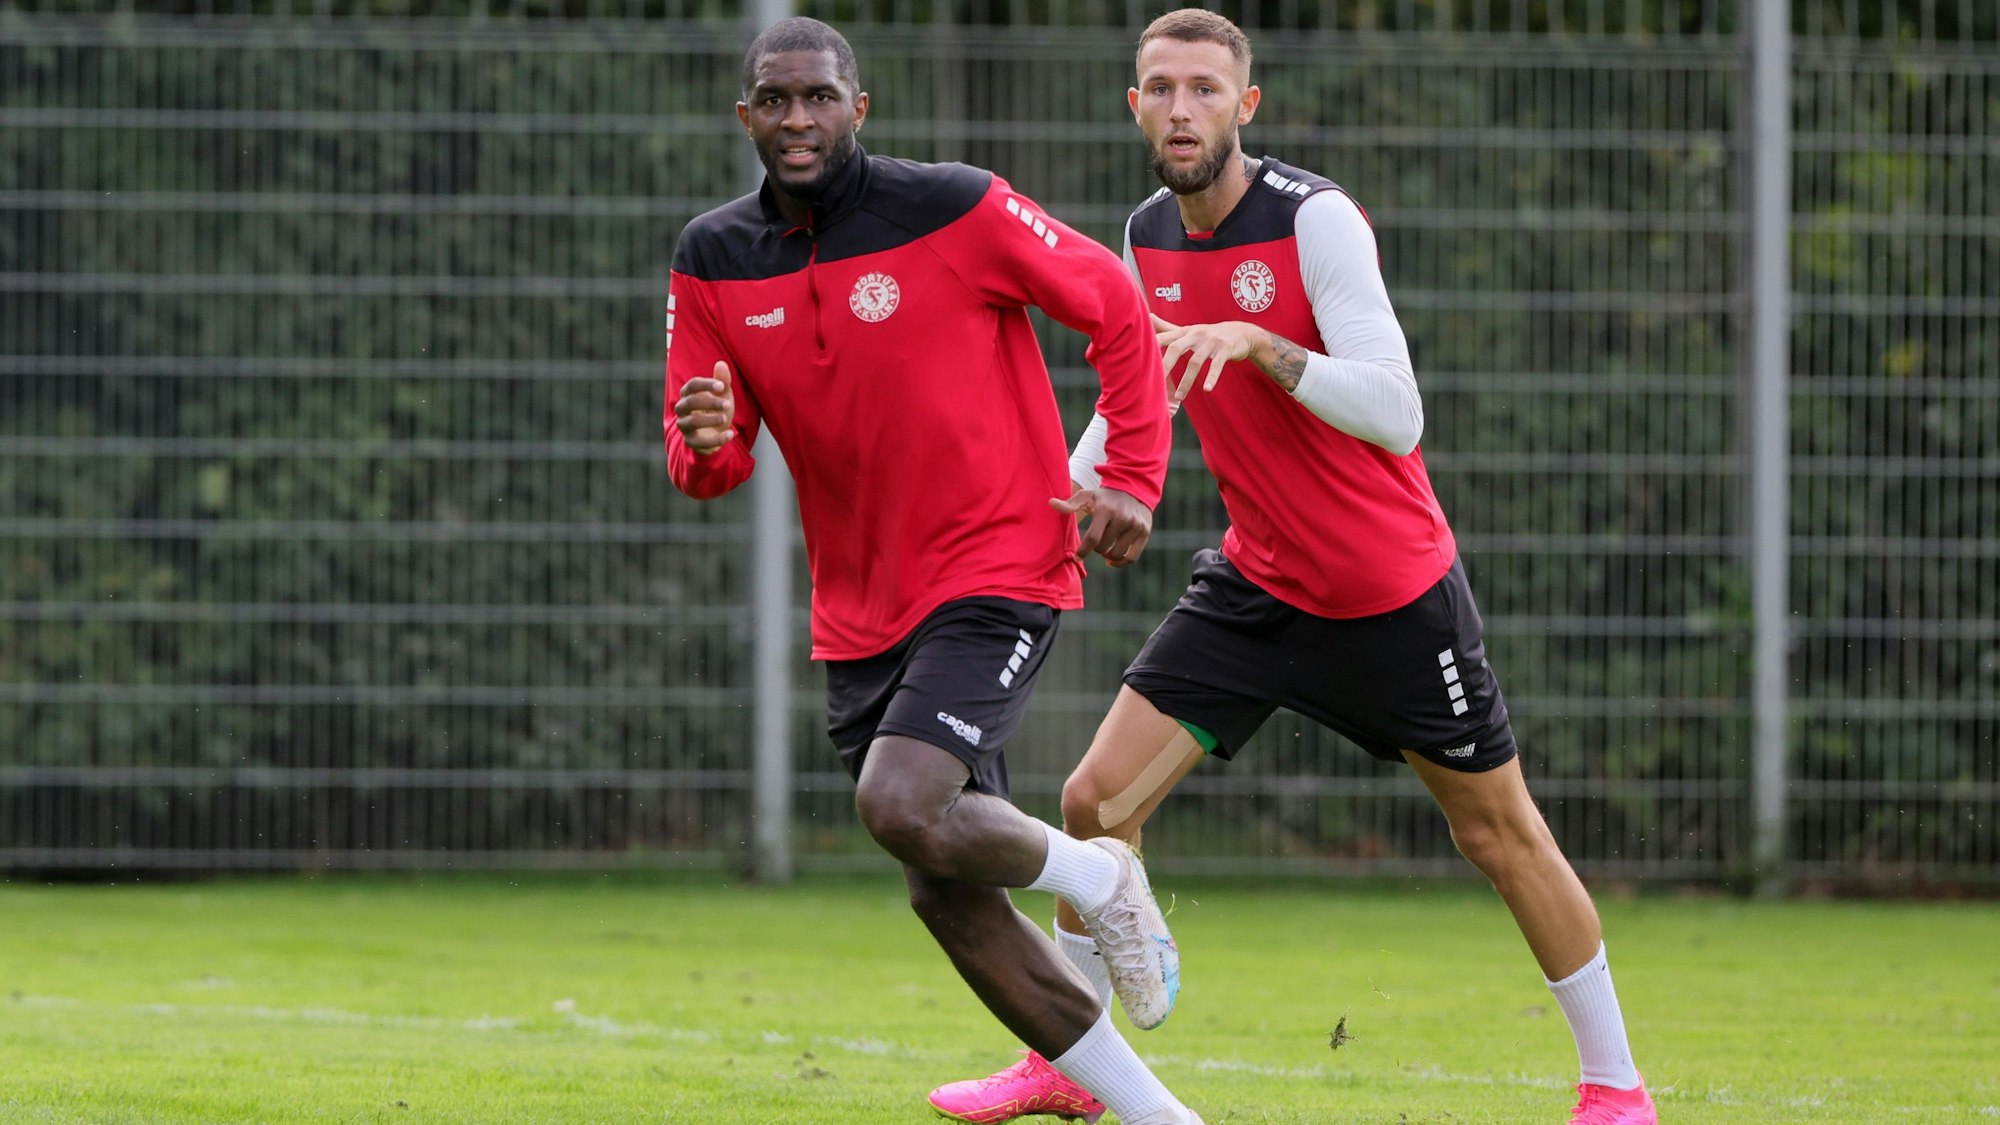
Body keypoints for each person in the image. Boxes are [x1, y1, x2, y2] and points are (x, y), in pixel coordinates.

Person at [927, 11, 1657, 1125]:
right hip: (1256, 583)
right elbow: (1136, 397)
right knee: (1090, 799)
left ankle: (1615, 1088)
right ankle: (1066, 1064)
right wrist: (1068, 488)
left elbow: (1396, 409)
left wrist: (1260, 345)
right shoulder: (1141, 238)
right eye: (1160, 89)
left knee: (1495, 833)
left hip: (1389, 593)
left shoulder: (1314, 222)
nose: (1182, 109)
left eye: (1205, 90)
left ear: (1244, 106)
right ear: (1134, 106)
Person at [665, 18, 1207, 1125]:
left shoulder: (951, 204)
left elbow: (1112, 303)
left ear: (857, 107)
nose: (798, 119)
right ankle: (1162, 1119)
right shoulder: (713, 256)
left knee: (897, 803)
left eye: (818, 97)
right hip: (860, 606)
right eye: (775, 101)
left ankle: (1101, 880)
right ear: (746, 118)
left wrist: (1135, 481)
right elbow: (703, 466)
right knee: (943, 890)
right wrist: (709, 437)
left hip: (998, 558)